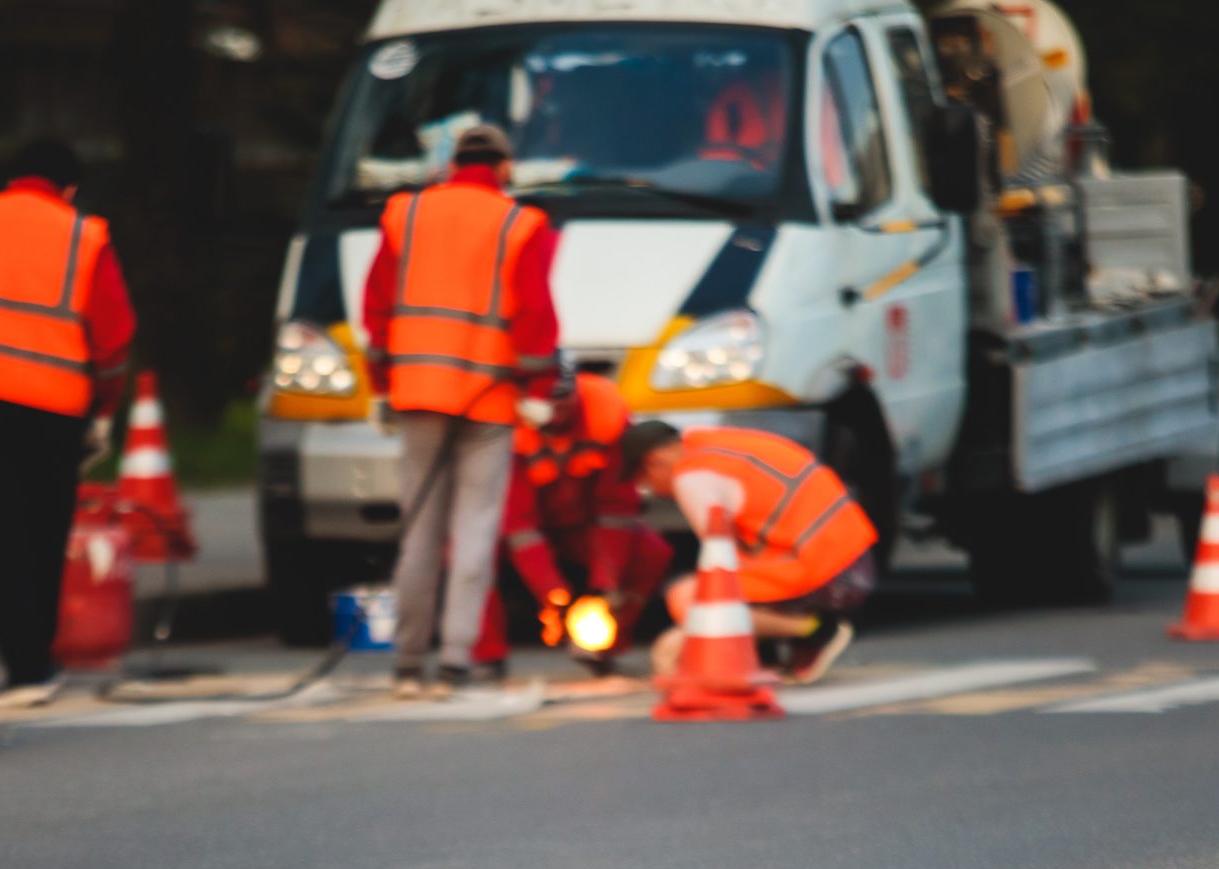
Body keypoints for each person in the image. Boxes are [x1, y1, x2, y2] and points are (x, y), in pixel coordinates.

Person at [0, 138, 136, 707]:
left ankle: (25, 665)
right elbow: (113, 337)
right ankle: (37, 659)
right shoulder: (86, 234)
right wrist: (104, 412)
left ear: (12, 179)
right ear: (70, 188)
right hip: (56, 409)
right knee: (42, 534)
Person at [362, 122, 563, 698]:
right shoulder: (520, 223)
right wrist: (538, 391)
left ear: (453, 166)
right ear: (504, 168)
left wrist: (380, 383)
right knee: (474, 531)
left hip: (418, 394)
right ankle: (454, 661)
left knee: (419, 533)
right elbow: (535, 315)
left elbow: (377, 305)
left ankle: (406, 666)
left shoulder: (406, 215)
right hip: (489, 397)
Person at [624, 420, 878, 685]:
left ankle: (812, 631)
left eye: (644, 483)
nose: (652, 490)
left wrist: (687, 635)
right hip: (855, 560)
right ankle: (768, 651)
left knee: (687, 595)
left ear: (654, 462)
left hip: (828, 574)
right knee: (741, 571)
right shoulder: (716, 445)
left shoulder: (691, 475)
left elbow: (718, 560)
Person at [471, 371, 669, 678]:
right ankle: (487, 655)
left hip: (581, 525)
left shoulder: (607, 416)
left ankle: (602, 646)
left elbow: (616, 509)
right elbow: (518, 525)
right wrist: (552, 594)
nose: (556, 410)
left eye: (563, 399)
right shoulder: (504, 427)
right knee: (469, 554)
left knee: (650, 552)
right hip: (516, 529)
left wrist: (606, 586)